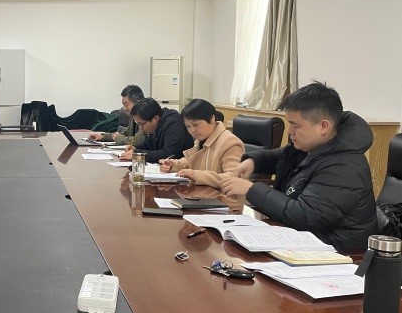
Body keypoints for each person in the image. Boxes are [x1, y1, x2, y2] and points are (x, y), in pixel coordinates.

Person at [221, 82, 377, 252]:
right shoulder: (315, 145)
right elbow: (285, 156)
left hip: (339, 252)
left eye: (296, 126)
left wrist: (251, 189)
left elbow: (305, 216)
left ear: (323, 126)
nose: (289, 131)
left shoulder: (345, 167)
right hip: (304, 239)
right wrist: (253, 162)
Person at [158, 99, 244, 188]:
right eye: (188, 126)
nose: (192, 131)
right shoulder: (203, 138)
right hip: (203, 193)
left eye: (195, 125)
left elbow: (235, 178)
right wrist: (173, 165)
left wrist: (199, 176)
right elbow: (192, 161)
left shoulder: (230, 142)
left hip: (221, 195)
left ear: (212, 119)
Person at [120, 98, 193, 163]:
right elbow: (149, 145)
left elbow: (169, 154)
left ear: (155, 118)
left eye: (141, 124)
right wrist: (136, 148)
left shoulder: (173, 124)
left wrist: (139, 154)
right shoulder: (154, 125)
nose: (140, 127)